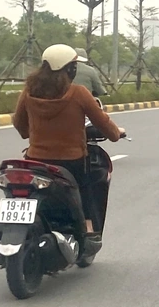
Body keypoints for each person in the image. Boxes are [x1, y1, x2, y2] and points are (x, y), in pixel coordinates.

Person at [11, 44, 125, 264]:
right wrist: (116, 134)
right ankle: (89, 233)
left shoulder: (28, 92)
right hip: (71, 162)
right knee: (88, 189)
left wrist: (32, 134)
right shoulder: (79, 93)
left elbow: (20, 125)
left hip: (34, 160)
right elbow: (103, 123)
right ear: (70, 69)